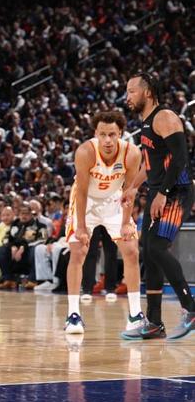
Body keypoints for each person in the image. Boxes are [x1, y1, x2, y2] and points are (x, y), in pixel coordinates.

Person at [121, 73, 194, 340]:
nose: (127, 97)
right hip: (157, 191)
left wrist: (163, 193)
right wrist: (133, 188)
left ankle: (191, 308)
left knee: (158, 247)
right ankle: (154, 322)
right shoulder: (146, 122)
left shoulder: (165, 117)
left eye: (132, 91)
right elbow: (149, 164)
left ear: (148, 92)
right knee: (148, 250)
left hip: (175, 191)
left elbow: (180, 158)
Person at [64, 111, 143, 334]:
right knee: (78, 251)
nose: (107, 140)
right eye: (102, 134)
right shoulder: (85, 152)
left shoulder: (132, 153)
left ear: (121, 133)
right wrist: (81, 227)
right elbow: (81, 191)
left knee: (131, 251)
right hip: (86, 201)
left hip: (114, 200)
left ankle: (135, 314)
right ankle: (73, 315)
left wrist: (126, 222)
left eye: (112, 134)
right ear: (95, 133)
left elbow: (129, 191)